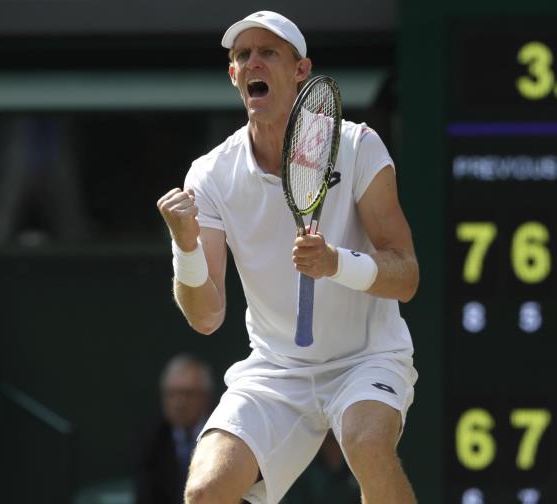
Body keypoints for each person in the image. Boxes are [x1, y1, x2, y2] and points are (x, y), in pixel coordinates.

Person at [156, 10, 419, 504]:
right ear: (235, 76)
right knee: (206, 491)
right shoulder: (210, 175)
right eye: (242, 56)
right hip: (277, 370)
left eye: (268, 52)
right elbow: (206, 316)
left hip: (367, 357)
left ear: (301, 70)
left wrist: (336, 263)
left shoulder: (357, 146)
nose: (254, 62)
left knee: (366, 446)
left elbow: (405, 275)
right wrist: (186, 246)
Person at [134, 353, 214, 504]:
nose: (179, 403)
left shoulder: (222, 435)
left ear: (206, 396)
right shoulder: (152, 440)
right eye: (171, 394)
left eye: (187, 394)